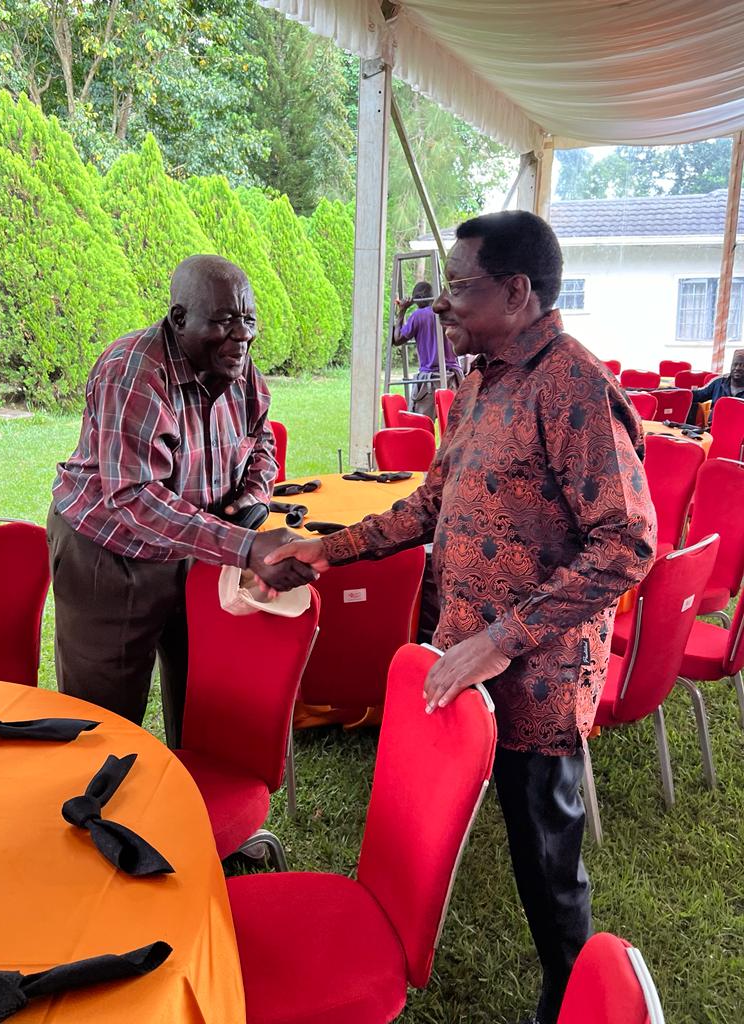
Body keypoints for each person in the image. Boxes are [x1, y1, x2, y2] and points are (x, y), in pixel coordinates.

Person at [266, 211, 657, 1024]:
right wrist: (330, 550)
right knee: (479, 827)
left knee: (548, 859)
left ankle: (571, 991)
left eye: (458, 286)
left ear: (516, 292)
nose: (442, 305)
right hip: (462, 657)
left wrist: (499, 639)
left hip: (537, 682)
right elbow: (435, 504)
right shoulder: (480, 380)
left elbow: (627, 545)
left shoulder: (575, 385)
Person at [47, 254, 315, 747]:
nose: (242, 337)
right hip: (110, 555)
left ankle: (184, 806)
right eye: (222, 321)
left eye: (248, 320)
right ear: (178, 319)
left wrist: (252, 500)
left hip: (197, 550)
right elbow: (133, 497)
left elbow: (261, 440)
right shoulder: (134, 371)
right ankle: (101, 818)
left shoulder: (237, 362)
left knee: (200, 698)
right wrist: (245, 546)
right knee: (104, 717)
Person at [394, 280, 463, 418]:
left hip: (430, 380)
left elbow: (397, 339)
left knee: (419, 426)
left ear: (416, 300)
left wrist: (402, 311)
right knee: (455, 428)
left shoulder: (418, 316)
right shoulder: (447, 313)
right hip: (453, 378)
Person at [687, 349, 744, 424]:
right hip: (714, 428)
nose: (737, 368)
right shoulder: (719, 382)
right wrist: (678, 392)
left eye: (743, 365)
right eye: (735, 364)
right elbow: (697, 395)